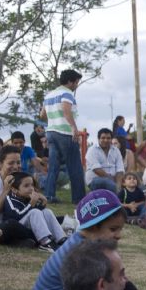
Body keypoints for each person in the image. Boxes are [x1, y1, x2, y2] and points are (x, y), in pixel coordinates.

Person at [26, 190, 139, 290]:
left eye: (120, 229)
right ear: (92, 227)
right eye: (113, 229)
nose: (119, 235)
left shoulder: (91, 243)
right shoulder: (81, 253)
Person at [40, 69, 86, 204]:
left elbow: (42, 115)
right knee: (75, 166)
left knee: (53, 165)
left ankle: (49, 195)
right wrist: (74, 129)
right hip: (65, 133)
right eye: (77, 82)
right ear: (71, 82)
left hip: (51, 132)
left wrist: (54, 120)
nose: (77, 85)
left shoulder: (49, 95)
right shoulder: (67, 93)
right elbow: (66, 111)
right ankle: (79, 198)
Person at [0, 145, 36, 246]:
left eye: (18, 162)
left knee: (44, 215)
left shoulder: (19, 179)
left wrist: (36, 197)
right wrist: (6, 190)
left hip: (16, 222)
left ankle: (19, 242)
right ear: (0, 164)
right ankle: (37, 238)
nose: (16, 167)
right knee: (11, 224)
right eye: (11, 163)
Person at [2, 171, 66, 252]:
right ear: (14, 190)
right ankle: (44, 243)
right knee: (34, 212)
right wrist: (31, 204)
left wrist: (42, 203)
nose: (31, 188)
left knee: (47, 211)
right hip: (16, 227)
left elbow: (39, 215)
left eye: (32, 185)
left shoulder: (27, 197)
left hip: (29, 227)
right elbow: (17, 216)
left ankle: (61, 239)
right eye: (26, 186)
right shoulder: (10, 199)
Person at [85, 128, 125, 193]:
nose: (106, 140)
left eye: (108, 138)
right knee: (108, 184)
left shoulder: (116, 150)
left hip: (113, 179)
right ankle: (118, 199)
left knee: (131, 182)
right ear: (98, 139)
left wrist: (118, 183)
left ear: (111, 139)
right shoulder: (92, 150)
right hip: (96, 180)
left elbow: (120, 169)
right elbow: (97, 170)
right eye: (103, 138)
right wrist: (114, 182)